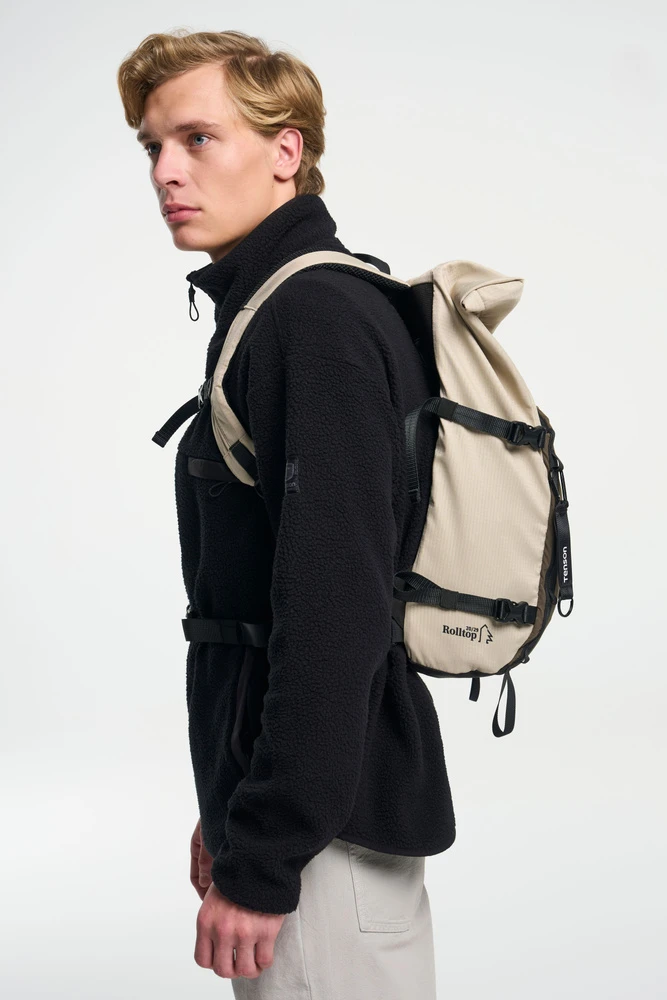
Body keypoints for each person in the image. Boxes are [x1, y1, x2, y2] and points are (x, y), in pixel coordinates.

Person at [117, 28, 456, 999]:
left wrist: (265, 848)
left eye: (197, 138)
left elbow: (333, 612)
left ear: (285, 150)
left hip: (322, 849)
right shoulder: (280, 307)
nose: (166, 171)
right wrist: (236, 802)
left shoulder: (313, 319)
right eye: (152, 146)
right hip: (310, 819)